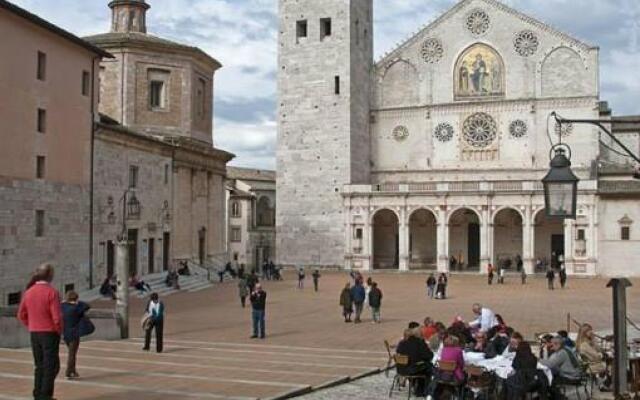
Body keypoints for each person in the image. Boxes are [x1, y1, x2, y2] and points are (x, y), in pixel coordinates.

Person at [18, 263, 62, 400]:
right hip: (49, 333)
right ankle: (45, 395)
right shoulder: (51, 292)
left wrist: (31, 325)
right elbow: (57, 317)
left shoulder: (29, 292)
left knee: (39, 365)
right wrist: (59, 331)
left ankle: (38, 394)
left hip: (34, 333)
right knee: (51, 366)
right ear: (50, 275)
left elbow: (21, 314)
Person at [396, 327, 434, 396]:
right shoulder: (420, 343)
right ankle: (424, 390)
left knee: (423, 366)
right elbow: (428, 356)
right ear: (419, 335)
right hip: (413, 369)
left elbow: (398, 352)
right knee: (429, 367)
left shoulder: (402, 343)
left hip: (401, 369)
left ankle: (416, 387)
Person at [61, 291, 90, 379]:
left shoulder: (63, 306)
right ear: (76, 299)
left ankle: (73, 370)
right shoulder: (77, 308)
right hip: (74, 333)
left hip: (65, 332)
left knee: (71, 352)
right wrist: (77, 302)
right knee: (72, 353)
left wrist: (66, 301)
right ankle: (69, 371)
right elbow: (87, 305)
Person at [427, 335, 465, 400]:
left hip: (442, 375)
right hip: (454, 376)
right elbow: (461, 363)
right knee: (464, 379)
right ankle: (459, 396)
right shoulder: (458, 350)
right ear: (456, 342)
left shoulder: (443, 350)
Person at [576, 323, 611, 390]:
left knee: (611, 366)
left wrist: (593, 340)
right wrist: (601, 354)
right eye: (589, 331)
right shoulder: (584, 345)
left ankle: (605, 383)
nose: (591, 332)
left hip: (594, 363)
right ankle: (605, 384)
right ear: (584, 333)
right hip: (592, 366)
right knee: (612, 367)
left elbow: (599, 349)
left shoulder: (587, 342)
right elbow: (597, 356)